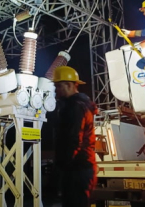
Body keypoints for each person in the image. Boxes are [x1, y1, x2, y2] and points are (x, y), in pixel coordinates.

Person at [52, 66, 98, 207]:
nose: (56, 90)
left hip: (77, 168)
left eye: (59, 86)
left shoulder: (75, 107)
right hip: (81, 167)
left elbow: (73, 139)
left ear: (70, 85)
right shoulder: (79, 105)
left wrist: (61, 166)